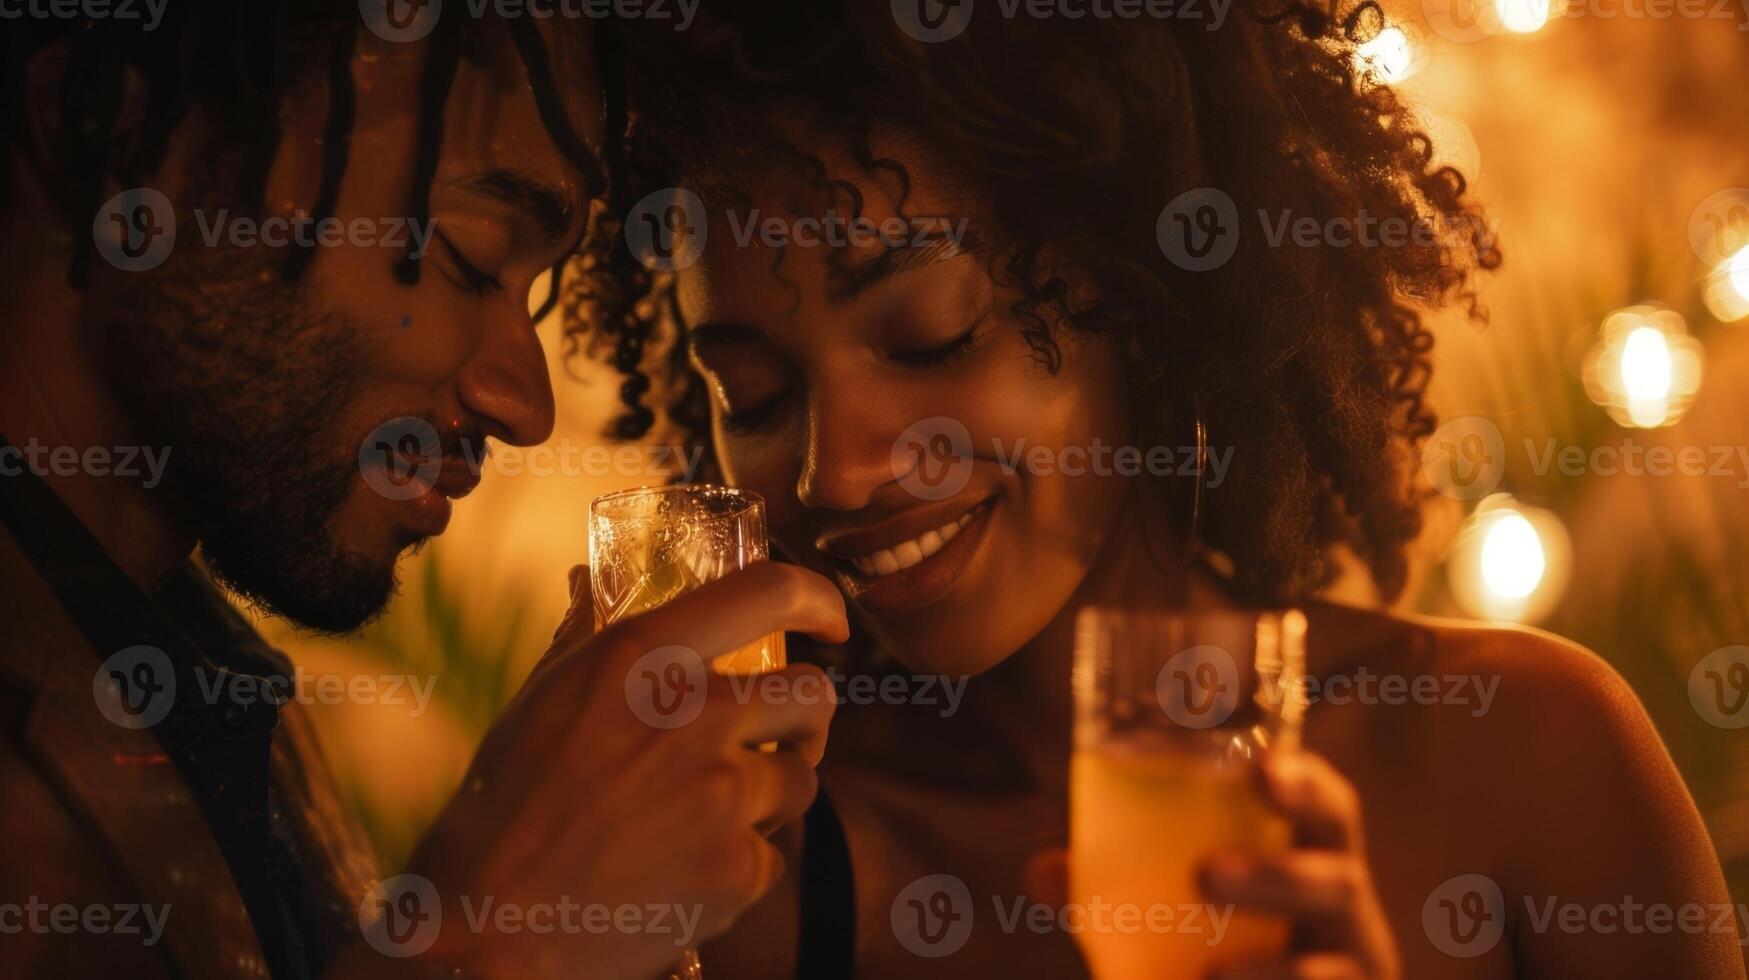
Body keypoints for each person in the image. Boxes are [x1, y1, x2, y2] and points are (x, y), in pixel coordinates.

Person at [569, 3, 1747, 977]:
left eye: (932, 335)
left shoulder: (1532, 751)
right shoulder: (743, 874)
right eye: (758, 394)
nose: (837, 470)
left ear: (1143, 304)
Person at [0, 8, 845, 979]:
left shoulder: (217, 705)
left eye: (530, 296)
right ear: (95, 127)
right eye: (470, 255)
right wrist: (494, 934)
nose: (523, 406)